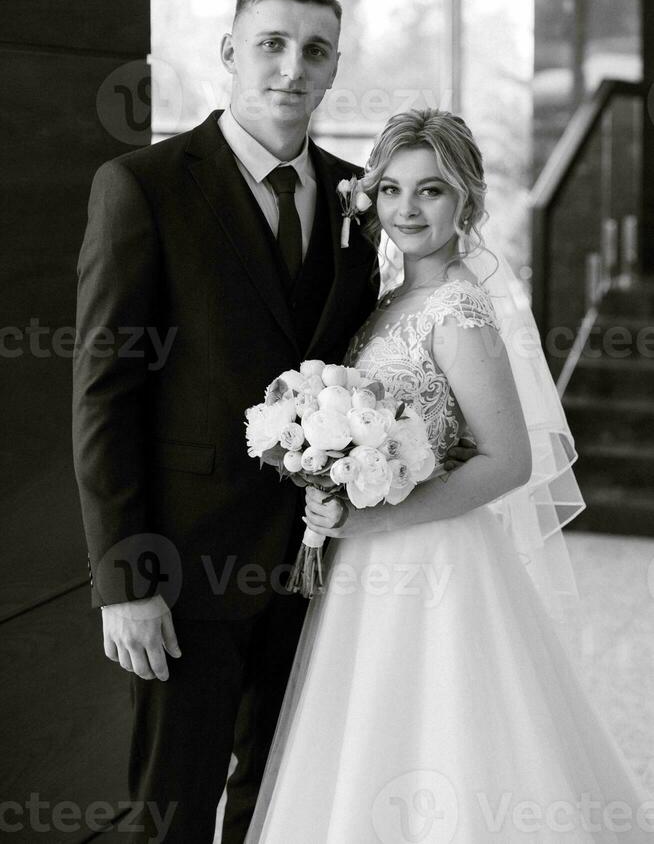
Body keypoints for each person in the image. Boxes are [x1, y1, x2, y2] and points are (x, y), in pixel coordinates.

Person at [72, 0, 477, 843]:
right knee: (169, 809)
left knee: (284, 801)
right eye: (272, 43)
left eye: (316, 50)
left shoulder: (357, 202)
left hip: (319, 568)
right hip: (185, 569)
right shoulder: (142, 185)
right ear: (228, 51)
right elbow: (104, 394)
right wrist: (124, 582)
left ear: (334, 69)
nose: (293, 67)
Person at [244, 108, 654, 843]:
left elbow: (508, 459)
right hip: (366, 559)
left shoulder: (459, 308)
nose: (408, 208)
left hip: (431, 557)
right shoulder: (390, 300)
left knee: (443, 734)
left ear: (465, 198)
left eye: (431, 191)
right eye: (393, 188)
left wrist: (373, 515)